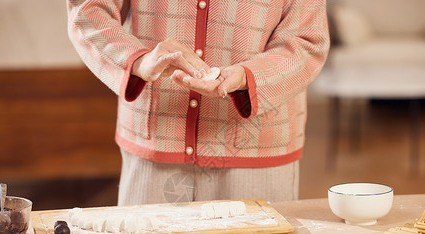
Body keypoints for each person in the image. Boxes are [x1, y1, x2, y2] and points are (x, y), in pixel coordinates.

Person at [67, 0, 330, 205]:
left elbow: (307, 41)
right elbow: (88, 10)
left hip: (256, 149)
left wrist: (247, 78)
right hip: (156, 142)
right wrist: (137, 61)